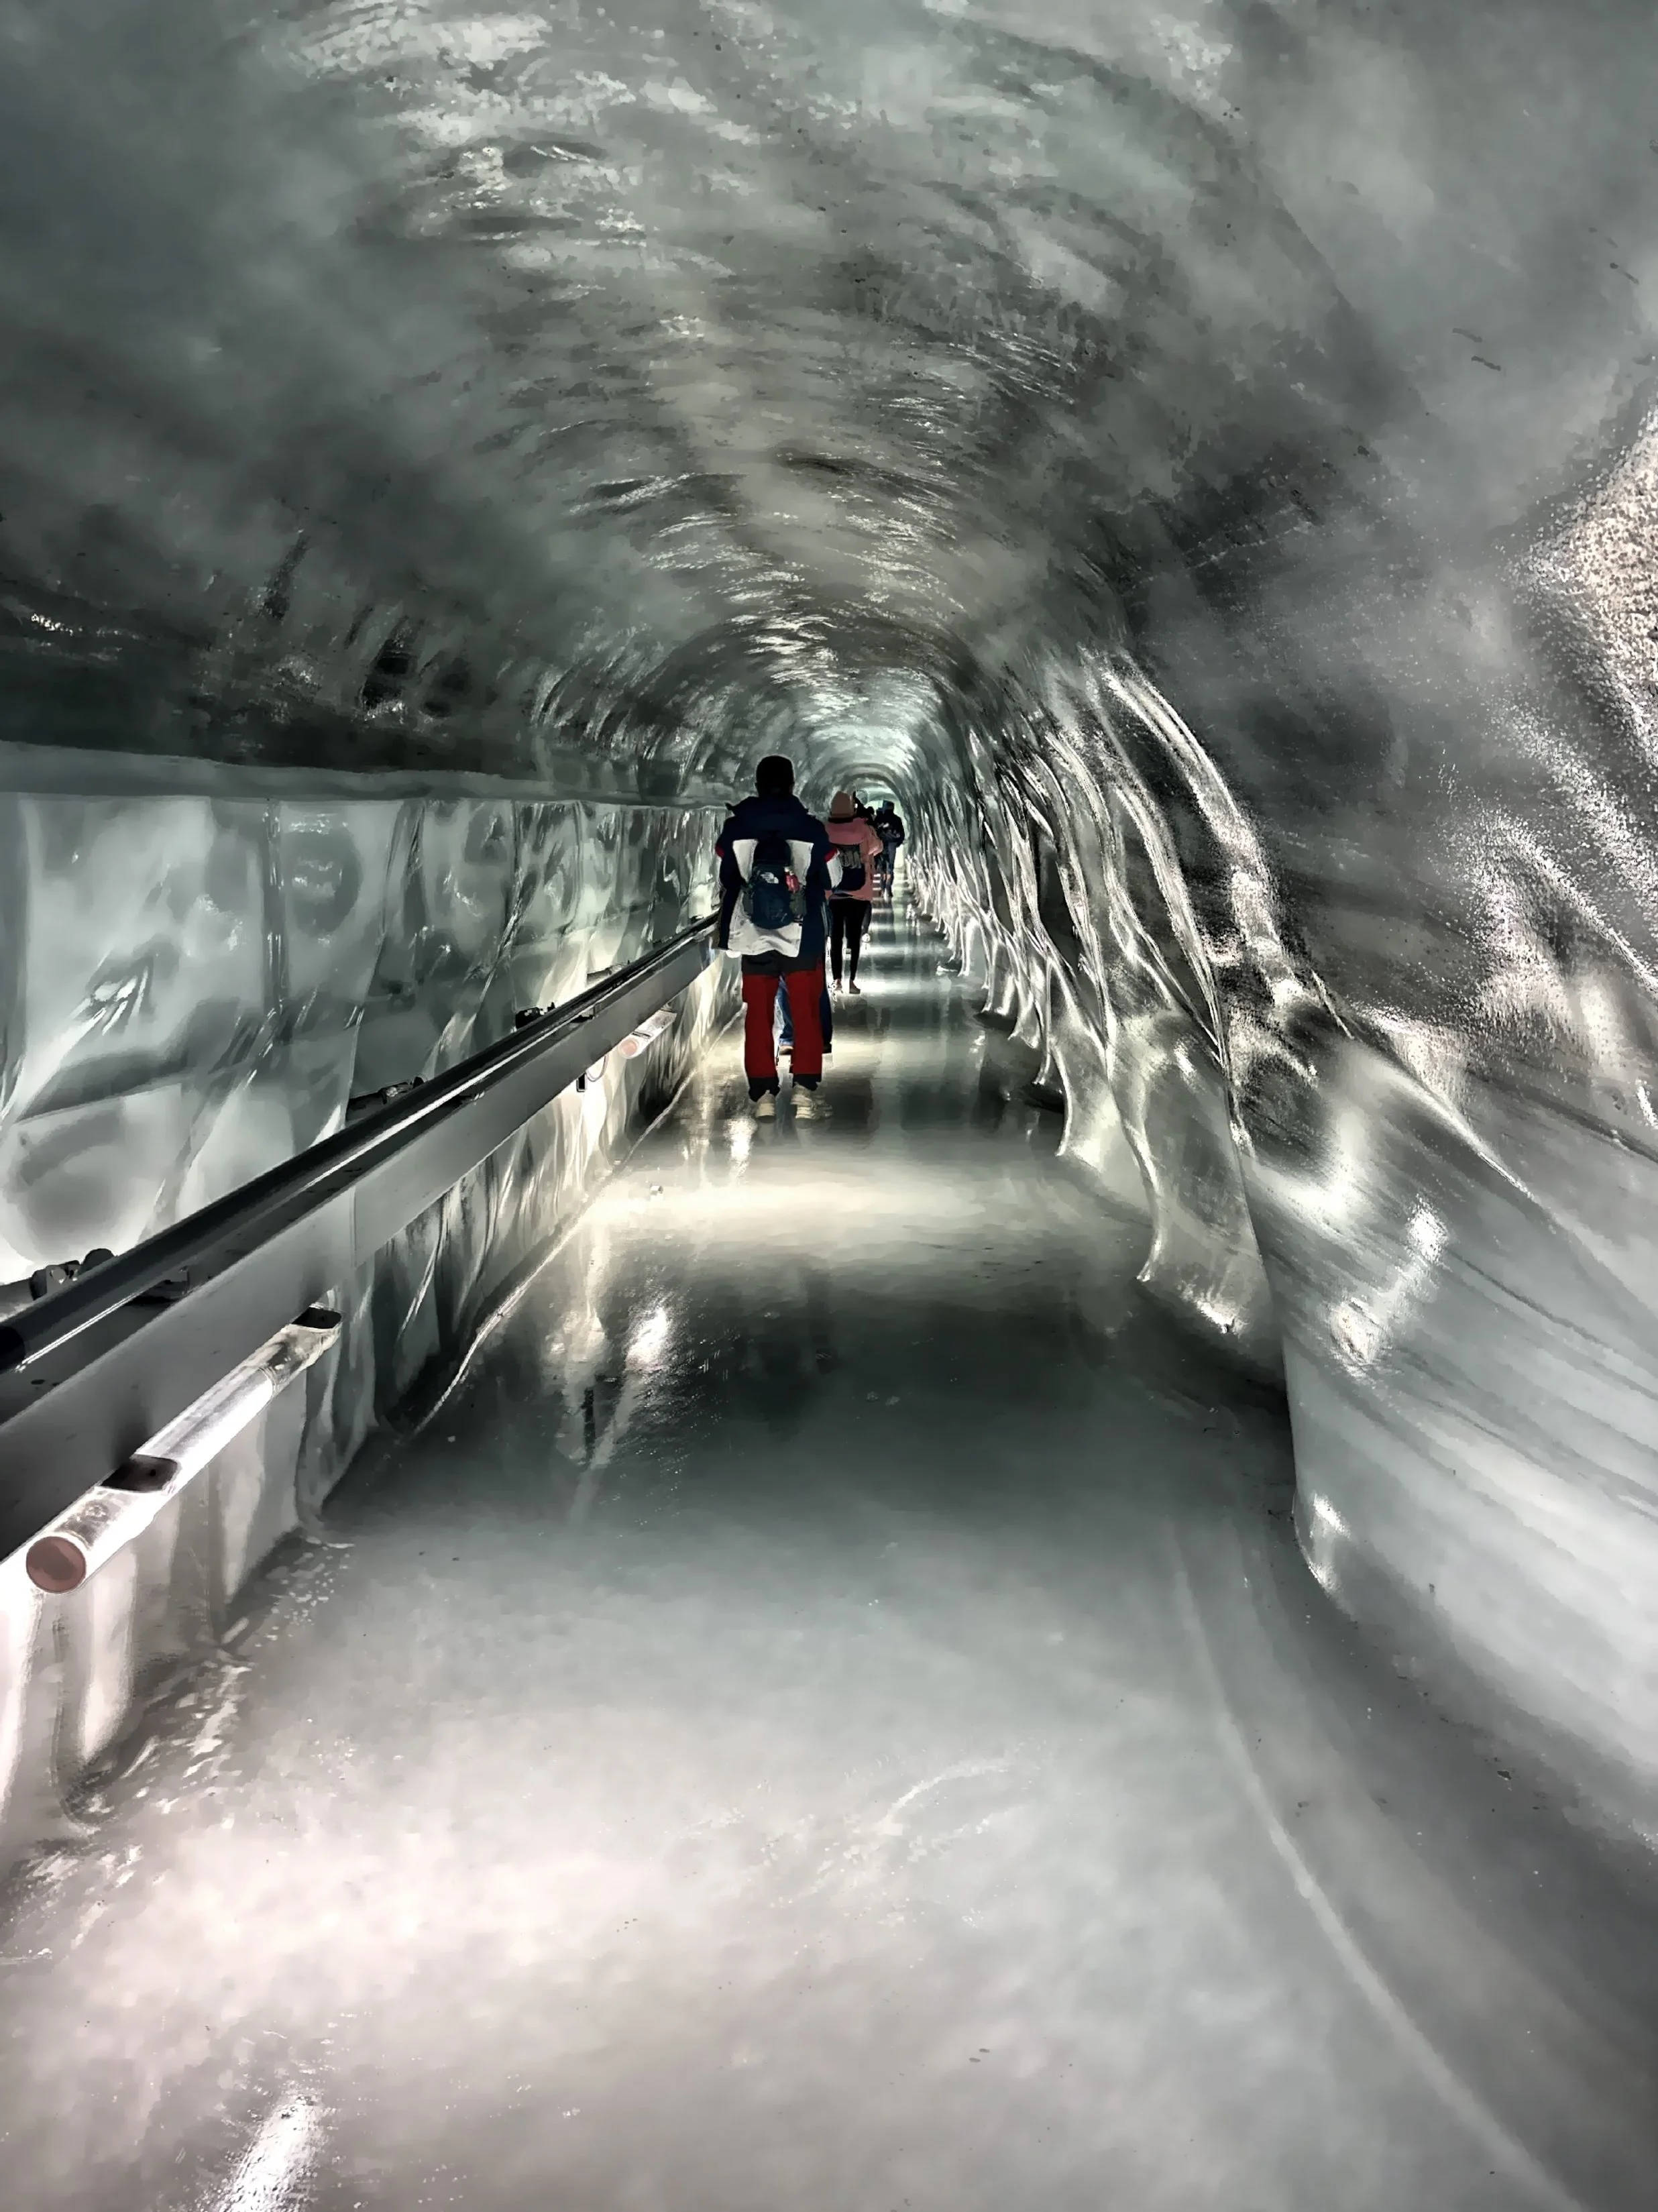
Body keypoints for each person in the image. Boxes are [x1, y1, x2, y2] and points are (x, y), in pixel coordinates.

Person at [718, 755, 835, 1103]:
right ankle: (803, 1087)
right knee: (805, 1009)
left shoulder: (736, 827)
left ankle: (763, 1092)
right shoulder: (811, 828)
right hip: (802, 936)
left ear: (756, 784)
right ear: (793, 784)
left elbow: (728, 878)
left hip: (754, 935)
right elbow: (832, 877)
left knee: (758, 1013)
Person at [823, 789, 883, 994]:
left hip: (833, 892)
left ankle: (837, 980)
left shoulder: (824, 829)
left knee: (836, 936)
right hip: (859, 890)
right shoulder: (863, 829)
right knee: (854, 937)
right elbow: (878, 847)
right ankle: (852, 982)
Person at [873, 800, 905, 895]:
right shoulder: (897, 819)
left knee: (882, 867)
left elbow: (874, 831)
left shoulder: (879, 818)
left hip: (881, 844)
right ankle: (889, 888)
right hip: (892, 845)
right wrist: (897, 843)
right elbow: (902, 835)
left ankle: (882, 888)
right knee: (890, 867)